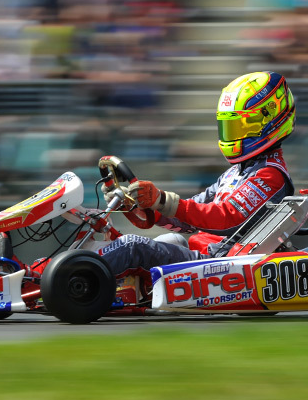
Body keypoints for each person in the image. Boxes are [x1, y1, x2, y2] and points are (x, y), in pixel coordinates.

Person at [96, 70, 297, 276]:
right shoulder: (235, 173)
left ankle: (75, 280)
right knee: (167, 240)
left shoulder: (270, 175)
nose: (233, 135)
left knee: (132, 246)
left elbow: (228, 218)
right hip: (207, 256)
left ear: (270, 122)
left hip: (222, 264)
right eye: (229, 127)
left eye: (240, 126)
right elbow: (189, 218)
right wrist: (140, 205)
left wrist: (163, 199)